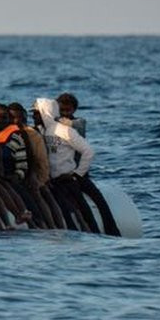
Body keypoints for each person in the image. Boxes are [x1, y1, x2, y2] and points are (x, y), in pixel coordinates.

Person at [33, 97, 100, 233]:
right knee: (67, 209)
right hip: (53, 180)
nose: (34, 116)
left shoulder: (66, 129)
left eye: (37, 113)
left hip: (69, 178)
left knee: (89, 207)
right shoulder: (41, 131)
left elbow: (88, 151)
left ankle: (96, 233)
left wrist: (77, 174)